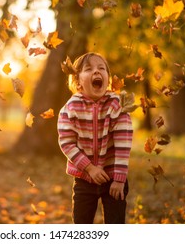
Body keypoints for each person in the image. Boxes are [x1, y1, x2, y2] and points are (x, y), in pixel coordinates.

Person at [57, 52, 133, 224]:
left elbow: (123, 143)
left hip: (113, 178)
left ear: (108, 78)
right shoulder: (70, 108)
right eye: (89, 69)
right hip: (84, 178)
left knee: (115, 223)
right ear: (78, 82)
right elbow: (67, 143)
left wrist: (119, 179)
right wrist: (89, 168)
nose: (96, 72)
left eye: (101, 68)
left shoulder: (117, 105)